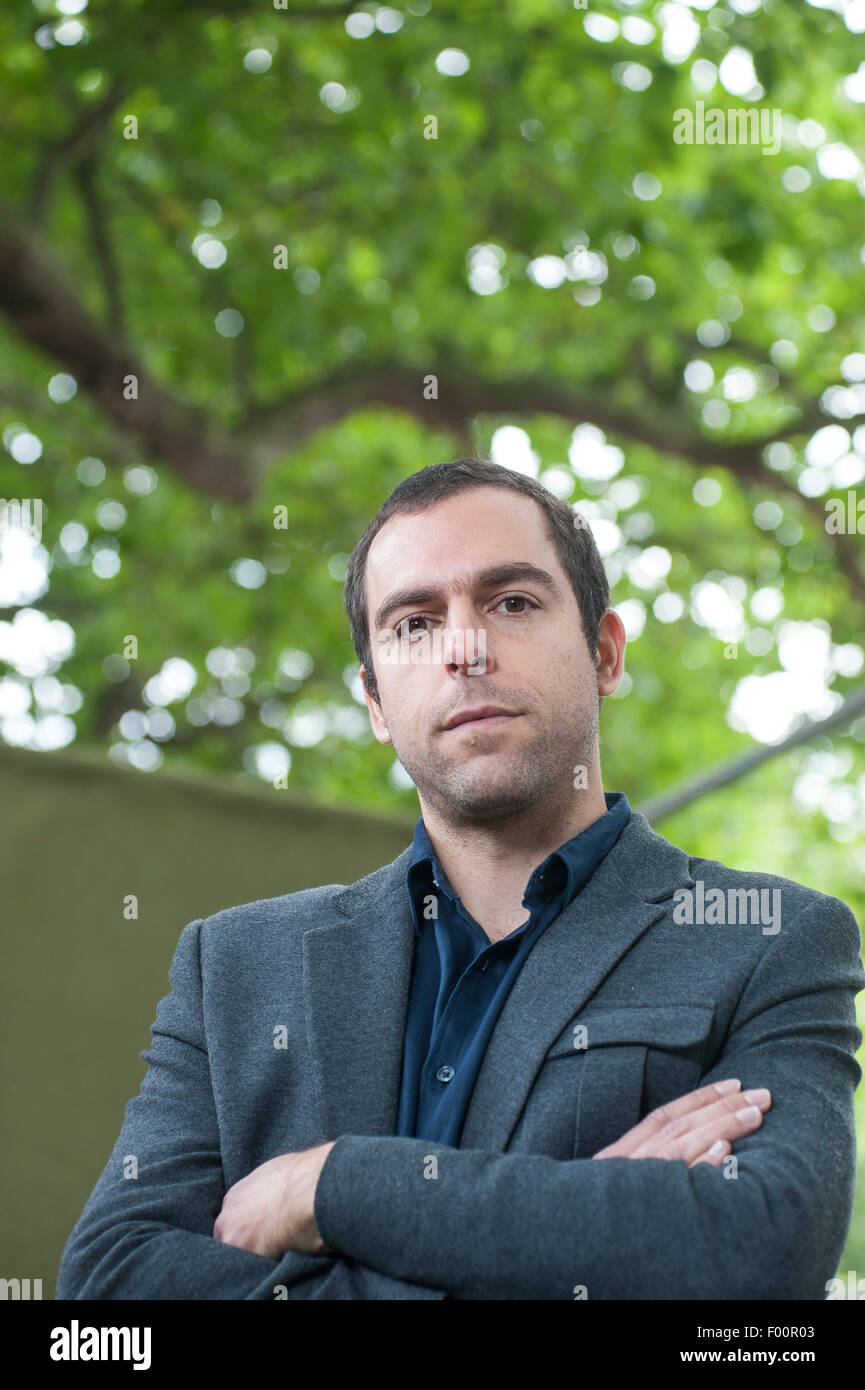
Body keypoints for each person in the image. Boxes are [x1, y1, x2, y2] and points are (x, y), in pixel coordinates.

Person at [57, 457, 865, 1300]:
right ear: (373, 701)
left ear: (603, 653)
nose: (465, 650)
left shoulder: (767, 937)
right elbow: (111, 1291)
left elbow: (761, 1248)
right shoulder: (230, 965)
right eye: (413, 623)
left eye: (510, 602)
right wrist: (564, 1244)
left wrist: (330, 1186)